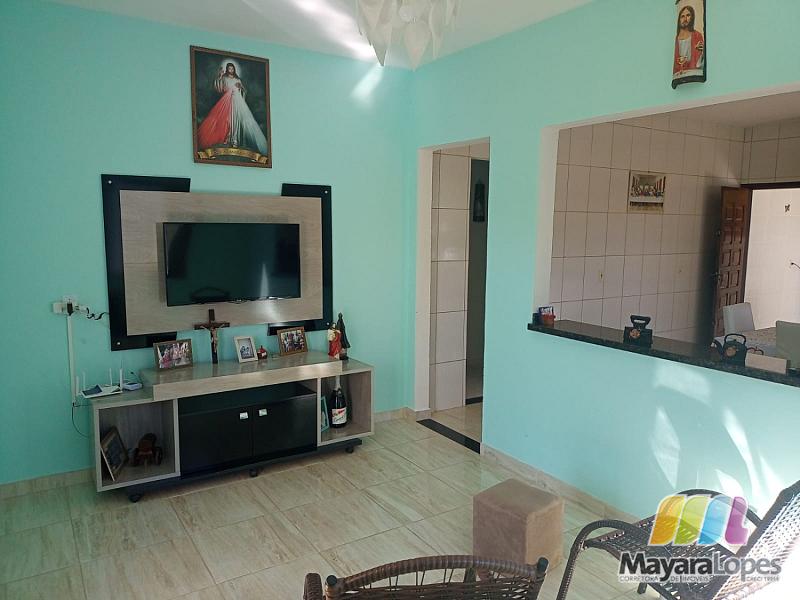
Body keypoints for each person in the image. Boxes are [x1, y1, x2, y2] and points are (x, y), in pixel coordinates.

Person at [197, 62, 268, 154]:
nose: (231, 70)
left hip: (238, 101)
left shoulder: (237, 79)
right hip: (227, 100)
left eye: (232, 68)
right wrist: (219, 77)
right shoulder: (224, 78)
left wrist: (240, 88)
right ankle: (227, 139)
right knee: (228, 119)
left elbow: (244, 91)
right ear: (227, 69)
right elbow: (220, 89)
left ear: (234, 69)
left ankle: (235, 140)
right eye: (229, 68)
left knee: (236, 120)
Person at [673, 5, 704, 76]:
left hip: (693, 72)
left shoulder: (697, 35)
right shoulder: (676, 38)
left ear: (692, 17)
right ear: (679, 19)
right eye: (682, 16)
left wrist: (703, 51)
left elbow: (700, 61)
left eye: (688, 15)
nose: (685, 19)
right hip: (679, 74)